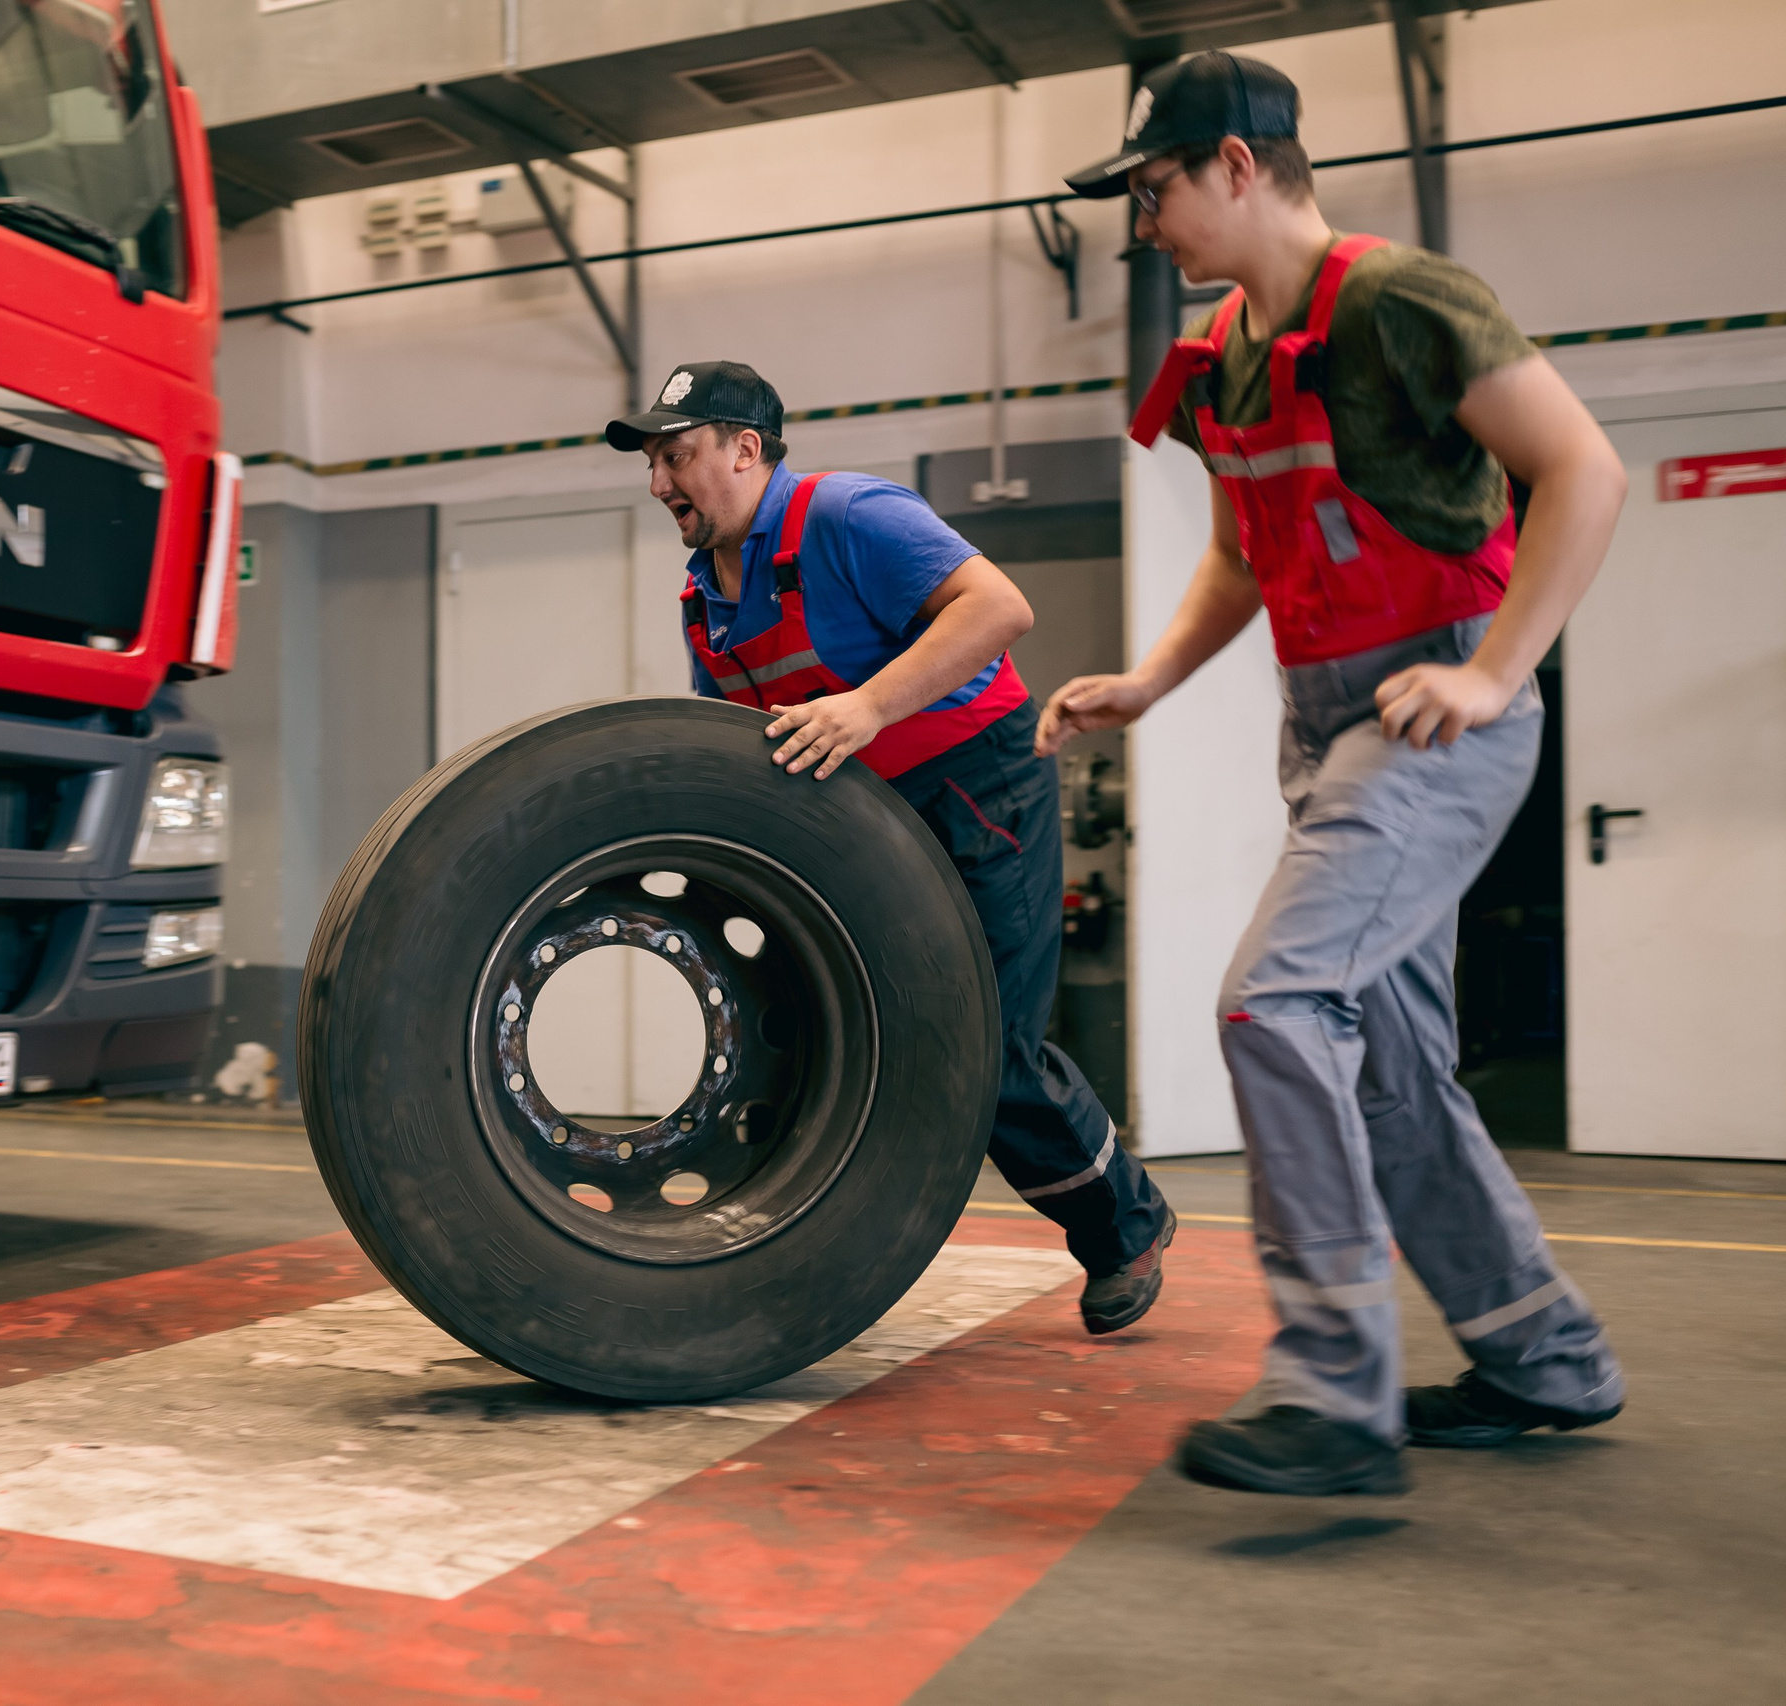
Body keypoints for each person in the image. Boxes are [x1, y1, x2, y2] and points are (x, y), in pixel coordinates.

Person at [1045, 51, 1628, 1495]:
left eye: (1157, 188)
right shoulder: (1228, 355)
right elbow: (1247, 554)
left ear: (1241, 166)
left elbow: (1586, 472)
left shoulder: (1404, 302)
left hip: (1433, 713)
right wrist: (1150, 678)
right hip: (1328, 722)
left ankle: (1334, 1386)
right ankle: (1540, 1353)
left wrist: (1495, 671)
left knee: (1274, 999)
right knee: (1396, 1071)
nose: (1143, 224)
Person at [606, 361, 1177, 1335]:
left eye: (677, 455)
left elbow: (999, 609)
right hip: (860, 817)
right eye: (654, 462)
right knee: (847, 1039)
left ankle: (1123, 1223)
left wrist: (867, 704)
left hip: (976, 788)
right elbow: (732, 745)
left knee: (986, 1049)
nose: (660, 483)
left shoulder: (849, 515)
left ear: (745, 451)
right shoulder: (703, 596)